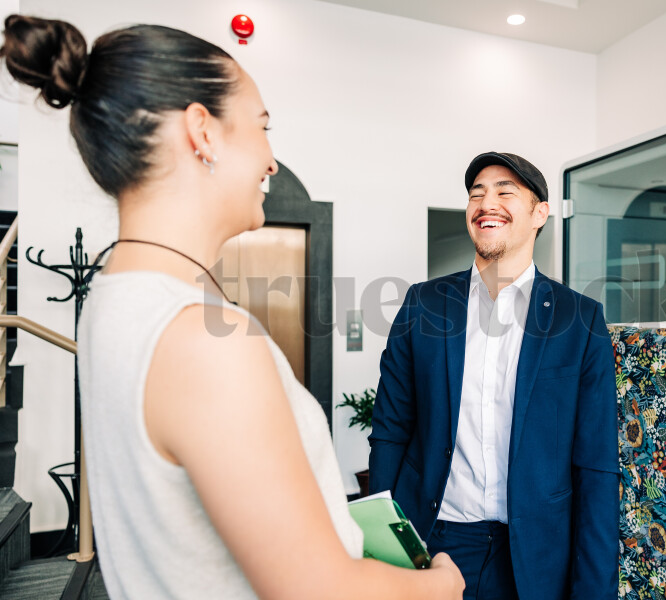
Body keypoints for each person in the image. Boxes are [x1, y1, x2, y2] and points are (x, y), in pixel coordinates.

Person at [0, 14, 464, 600]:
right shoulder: (200, 340)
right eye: (262, 127)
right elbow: (320, 591)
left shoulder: (113, 298)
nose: (271, 160)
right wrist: (443, 587)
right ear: (203, 131)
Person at [369, 152, 619, 600]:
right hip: (435, 543)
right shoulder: (422, 305)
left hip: (536, 556)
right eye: (476, 194)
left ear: (540, 213)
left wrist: (593, 590)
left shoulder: (579, 319)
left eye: (505, 192)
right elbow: (389, 432)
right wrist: (386, 545)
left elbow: (596, 468)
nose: (487, 203)